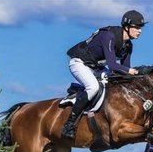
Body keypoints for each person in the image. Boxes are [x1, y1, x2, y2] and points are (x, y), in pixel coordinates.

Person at [62, 9, 146, 138]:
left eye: (141, 28)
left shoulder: (128, 46)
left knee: (116, 85)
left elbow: (124, 70)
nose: (140, 31)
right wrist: (131, 71)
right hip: (80, 63)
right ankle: (69, 124)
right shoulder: (109, 36)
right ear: (126, 26)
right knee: (93, 87)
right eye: (137, 27)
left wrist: (138, 75)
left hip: (96, 67)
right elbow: (112, 66)